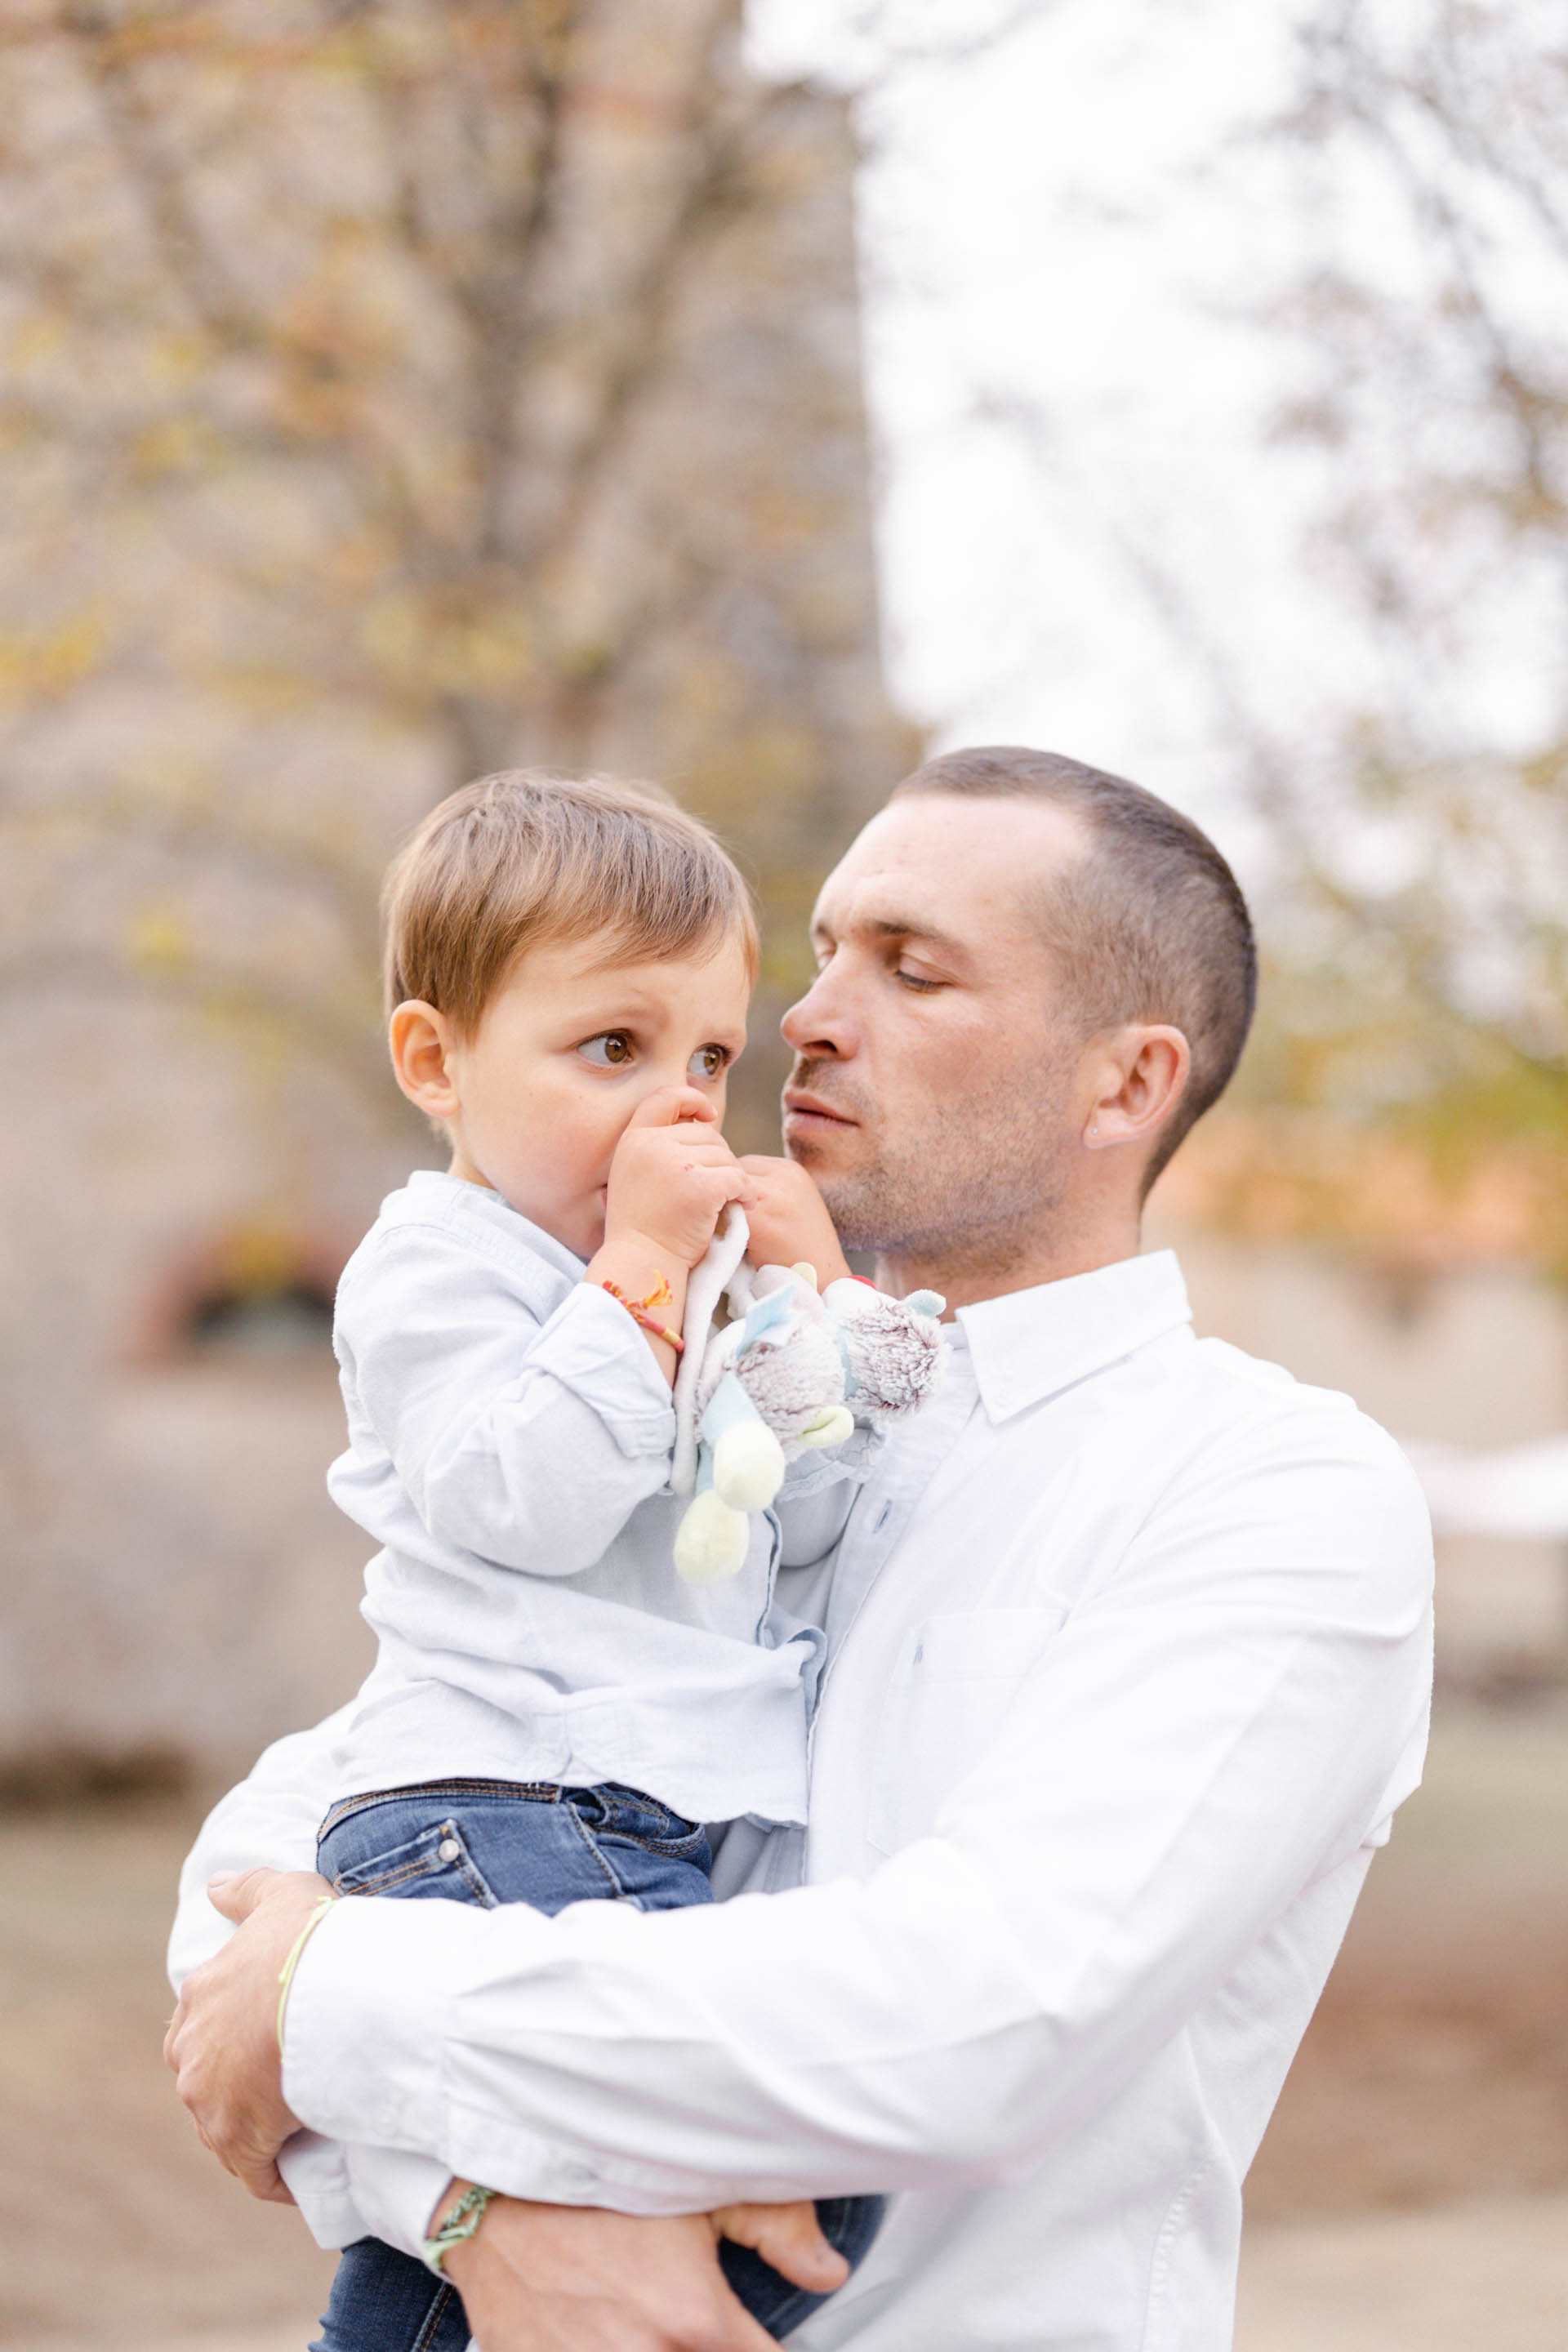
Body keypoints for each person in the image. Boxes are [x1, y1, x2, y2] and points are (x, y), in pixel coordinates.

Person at [167, 747, 1435, 2352]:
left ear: (1126, 1086)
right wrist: (471, 2209)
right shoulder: (694, 1389)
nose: (808, 1018)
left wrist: (333, 2010)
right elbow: (257, 1887)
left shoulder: (1270, 1485)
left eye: (912, 968)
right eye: (825, 951)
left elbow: (985, 2017)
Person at [240, 769, 904, 2349]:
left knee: (700, 2172)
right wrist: (647, 1270)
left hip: (631, 1816)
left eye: (709, 1058)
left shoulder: (683, 1278)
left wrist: (820, 1314)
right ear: (437, 1061)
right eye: (613, 1049)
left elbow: (795, 1540)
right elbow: (520, 1500)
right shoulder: (433, 1266)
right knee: (806, 2168)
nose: (680, 1107)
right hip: (491, 1801)